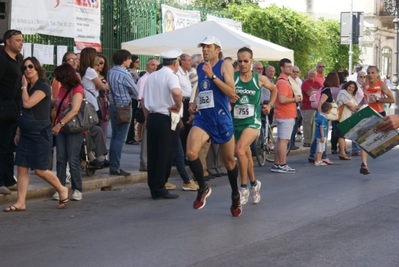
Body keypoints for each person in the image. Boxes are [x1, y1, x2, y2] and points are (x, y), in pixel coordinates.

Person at [4, 57, 70, 211]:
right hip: (25, 133)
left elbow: (28, 103)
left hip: (39, 133)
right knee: (21, 167)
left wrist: (23, 87)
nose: (27, 69)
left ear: (37, 68)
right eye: (24, 68)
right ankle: (20, 202)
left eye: (30, 66)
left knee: (40, 169)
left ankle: (62, 189)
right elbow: (23, 110)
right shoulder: (29, 87)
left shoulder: (43, 86)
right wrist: (19, 131)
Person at [186, 36, 241, 216]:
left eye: (208, 47)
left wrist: (213, 76)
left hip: (221, 118)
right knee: (191, 153)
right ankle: (203, 188)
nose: (205, 50)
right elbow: (202, 88)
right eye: (203, 47)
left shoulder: (224, 65)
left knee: (229, 162)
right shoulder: (200, 66)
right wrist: (194, 103)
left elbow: (231, 92)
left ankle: (235, 194)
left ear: (217, 49)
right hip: (204, 118)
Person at [232, 47, 276, 205]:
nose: (242, 64)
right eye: (239, 61)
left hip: (253, 121)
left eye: (246, 60)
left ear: (251, 60)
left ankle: (242, 188)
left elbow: (274, 89)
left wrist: (270, 105)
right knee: (246, 155)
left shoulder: (259, 78)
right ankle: (254, 184)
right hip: (236, 121)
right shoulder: (232, 77)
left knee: (239, 150)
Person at [142, 48, 183, 199]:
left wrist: (147, 118)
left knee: (153, 154)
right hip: (167, 117)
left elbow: (144, 101)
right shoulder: (170, 76)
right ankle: (160, 186)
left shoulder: (152, 76)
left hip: (153, 117)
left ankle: (153, 186)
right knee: (166, 153)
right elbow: (177, 93)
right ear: (175, 63)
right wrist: (178, 107)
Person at [52, 64, 84, 201]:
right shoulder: (61, 89)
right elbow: (57, 103)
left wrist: (60, 124)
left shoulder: (77, 89)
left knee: (73, 160)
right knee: (60, 159)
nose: (57, 80)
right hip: (61, 129)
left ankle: (77, 188)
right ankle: (60, 187)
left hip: (73, 129)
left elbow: (75, 110)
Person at [107, 50, 139, 176]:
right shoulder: (125, 74)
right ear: (124, 59)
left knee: (115, 136)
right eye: (129, 59)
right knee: (120, 138)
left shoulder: (110, 71)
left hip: (113, 104)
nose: (130, 61)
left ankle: (113, 165)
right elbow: (136, 91)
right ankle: (115, 167)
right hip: (124, 106)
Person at [359, 66, 394, 175]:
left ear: (377, 74)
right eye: (368, 73)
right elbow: (364, 98)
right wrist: (358, 105)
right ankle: (364, 164)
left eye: (373, 72)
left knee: (383, 138)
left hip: (379, 114)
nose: (370, 75)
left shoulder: (381, 85)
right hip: (368, 114)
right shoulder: (365, 85)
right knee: (363, 138)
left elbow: (392, 99)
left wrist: (378, 99)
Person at [0, 29, 22, 195]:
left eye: (21, 40)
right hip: (3, 108)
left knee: (8, 146)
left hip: (13, 109)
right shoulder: (2, 59)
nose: (21, 43)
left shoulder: (17, 60)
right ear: (8, 41)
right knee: (1, 146)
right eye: (17, 40)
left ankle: (9, 178)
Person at [271, 58, 301, 173]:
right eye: (288, 66)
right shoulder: (283, 82)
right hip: (285, 114)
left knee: (280, 140)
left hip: (283, 114)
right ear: (282, 68)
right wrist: (295, 99)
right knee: (284, 141)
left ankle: (277, 164)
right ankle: (282, 164)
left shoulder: (283, 81)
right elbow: (282, 99)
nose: (291, 68)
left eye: (291, 66)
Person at [308, 72, 339, 165]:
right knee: (323, 136)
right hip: (323, 114)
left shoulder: (325, 89)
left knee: (317, 136)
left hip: (322, 114)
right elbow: (321, 102)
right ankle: (323, 156)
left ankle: (312, 154)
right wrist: (321, 114)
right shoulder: (327, 91)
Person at [137, 57, 159, 172]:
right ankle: (144, 163)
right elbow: (141, 99)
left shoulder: (155, 78)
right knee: (146, 140)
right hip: (147, 111)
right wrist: (146, 117)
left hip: (153, 112)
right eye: (152, 65)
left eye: (156, 65)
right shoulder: (144, 79)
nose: (155, 67)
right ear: (147, 66)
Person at [335, 81, 359, 160]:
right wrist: (355, 108)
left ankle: (342, 151)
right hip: (341, 117)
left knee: (343, 136)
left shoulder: (351, 95)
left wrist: (355, 108)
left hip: (346, 117)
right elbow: (349, 104)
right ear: (346, 86)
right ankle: (342, 153)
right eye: (350, 86)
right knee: (341, 136)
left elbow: (354, 107)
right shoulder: (343, 92)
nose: (351, 88)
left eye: (353, 88)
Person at [300, 70, 322, 147]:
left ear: (316, 76)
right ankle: (307, 141)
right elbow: (310, 95)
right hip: (307, 107)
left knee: (314, 125)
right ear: (307, 75)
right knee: (307, 124)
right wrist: (316, 91)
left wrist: (314, 91)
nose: (312, 75)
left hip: (315, 107)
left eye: (314, 74)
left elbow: (322, 92)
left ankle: (312, 140)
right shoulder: (305, 83)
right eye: (310, 74)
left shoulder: (317, 83)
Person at [94, 55, 110, 142]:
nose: (101, 65)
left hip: (105, 104)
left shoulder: (106, 76)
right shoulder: (90, 76)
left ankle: (102, 151)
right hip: (95, 102)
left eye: (103, 63)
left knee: (104, 129)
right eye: (100, 63)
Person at [126, 55, 140, 145]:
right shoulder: (129, 72)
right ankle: (130, 137)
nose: (138, 63)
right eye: (137, 62)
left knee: (133, 118)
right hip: (132, 97)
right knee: (131, 119)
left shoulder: (135, 72)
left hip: (135, 97)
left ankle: (131, 136)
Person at [314, 102, 332, 166]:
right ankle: (318, 160)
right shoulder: (323, 118)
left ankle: (319, 160)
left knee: (321, 148)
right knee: (320, 148)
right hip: (321, 135)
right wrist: (322, 136)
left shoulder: (319, 115)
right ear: (327, 110)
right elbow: (321, 127)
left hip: (317, 134)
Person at [289, 65, 303, 150]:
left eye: (297, 72)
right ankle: (290, 143)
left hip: (298, 103)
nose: (295, 73)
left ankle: (292, 142)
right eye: (293, 71)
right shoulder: (289, 80)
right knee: (293, 125)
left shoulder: (297, 81)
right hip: (293, 103)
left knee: (296, 124)